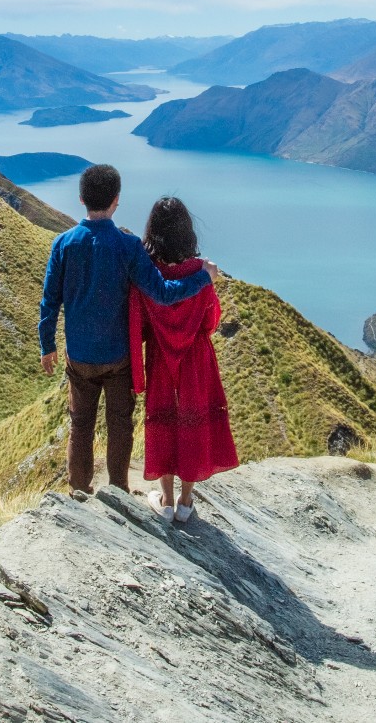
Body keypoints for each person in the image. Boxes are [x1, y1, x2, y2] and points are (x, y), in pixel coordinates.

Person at [40, 164, 214, 497]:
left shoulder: (63, 244)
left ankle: (79, 490)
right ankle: (118, 490)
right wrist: (203, 277)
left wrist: (47, 345)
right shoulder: (128, 246)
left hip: (79, 356)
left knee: (80, 425)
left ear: (81, 199)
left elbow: (50, 301)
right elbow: (162, 293)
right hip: (119, 356)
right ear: (116, 200)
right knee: (119, 424)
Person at [128, 196, 238, 523]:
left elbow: (140, 323)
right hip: (196, 359)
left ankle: (164, 499)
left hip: (161, 357)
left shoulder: (149, 273)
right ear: (186, 231)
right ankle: (186, 503)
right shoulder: (200, 272)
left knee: (162, 420)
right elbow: (210, 322)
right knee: (193, 421)